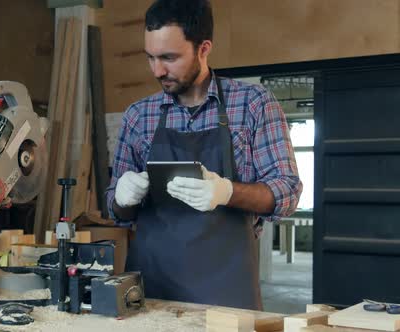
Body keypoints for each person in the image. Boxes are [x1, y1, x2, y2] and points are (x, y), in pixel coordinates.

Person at [105, 0, 302, 310]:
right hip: (152, 288)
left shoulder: (253, 104)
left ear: (203, 48)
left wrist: (226, 191)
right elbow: (117, 212)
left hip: (227, 291)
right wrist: (122, 195)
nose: (158, 70)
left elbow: (288, 192)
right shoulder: (138, 116)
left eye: (169, 58)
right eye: (151, 58)